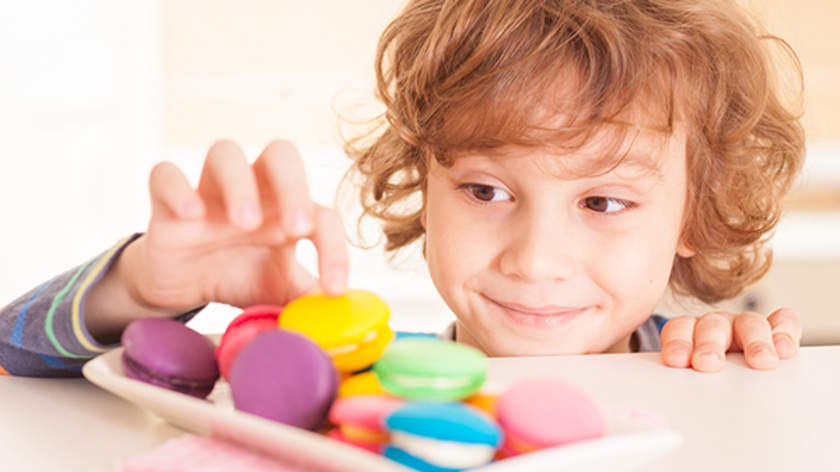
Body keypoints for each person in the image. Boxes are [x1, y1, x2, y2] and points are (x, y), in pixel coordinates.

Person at [0, 0, 805, 377]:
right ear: (425, 180)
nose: (534, 262)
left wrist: (739, 374)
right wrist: (140, 288)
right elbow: (13, 358)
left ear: (694, 209)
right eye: (486, 191)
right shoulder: (353, 380)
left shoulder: (702, 369)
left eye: (602, 202)